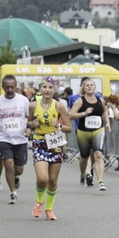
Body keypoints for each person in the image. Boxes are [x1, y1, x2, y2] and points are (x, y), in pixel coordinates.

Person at [28, 78, 72, 220]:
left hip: (55, 143)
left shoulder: (59, 106)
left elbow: (69, 128)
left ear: (54, 90)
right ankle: (39, 201)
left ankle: (49, 209)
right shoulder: (33, 105)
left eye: (50, 87)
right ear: (40, 89)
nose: (47, 90)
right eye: (45, 87)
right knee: (42, 178)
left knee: (52, 180)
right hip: (39, 142)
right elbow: (28, 122)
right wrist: (32, 124)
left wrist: (58, 125)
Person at [0, 75, 32, 204]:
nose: (10, 90)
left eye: (12, 87)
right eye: (7, 87)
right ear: (3, 87)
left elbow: (30, 117)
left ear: (16, 86)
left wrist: (29, 128)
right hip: (4, 138)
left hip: (20, 139)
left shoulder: (23, 100)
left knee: (19, 170)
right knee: (8, 165)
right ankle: (13, 193)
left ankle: (16, 176)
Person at [68, 78, 111, 191]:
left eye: (92, 85)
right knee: (84, 157)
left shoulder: (100, 100)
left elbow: (104, 110)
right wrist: (84, 113)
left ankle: (100, 181)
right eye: (87, 85)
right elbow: (71, 115)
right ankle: (83, 174)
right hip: (83, 132)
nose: (90, 87)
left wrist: (107, 123)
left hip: (98, 130)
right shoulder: (80, 101)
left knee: (98, 154)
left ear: (95, 87)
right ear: (84, 88)